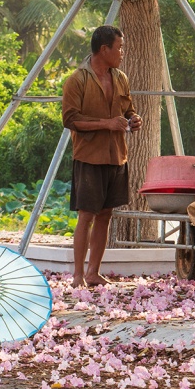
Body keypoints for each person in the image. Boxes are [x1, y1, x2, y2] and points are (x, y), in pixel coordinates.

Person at [61, 26, 139, 288]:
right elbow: (70, 119)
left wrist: (133, 119)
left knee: (106, 214)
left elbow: (128, 109)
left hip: (116, 155)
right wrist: (106, 124)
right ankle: (78, 276)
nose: (122, 53)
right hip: (89, 157)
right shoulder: (77, 80)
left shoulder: (120, 78)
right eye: (119, 48)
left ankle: (94, 272)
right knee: (87, 215)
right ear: (104, 49)